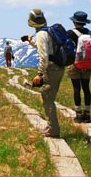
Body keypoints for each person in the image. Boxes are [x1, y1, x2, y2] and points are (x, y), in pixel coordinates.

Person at [25, 9, 64, 138]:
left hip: (51, 69)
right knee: (49, 97)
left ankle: (53, 130)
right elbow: (48, 49)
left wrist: (40, 74)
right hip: (59, 67)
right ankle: (50, 125)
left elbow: (44, 57)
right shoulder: (49, 31)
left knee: (47, 99)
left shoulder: (41, 34)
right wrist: (31, 42)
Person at [66, 11, 91, 123]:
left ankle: (78, 113)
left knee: (76, 88)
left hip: (75, 63)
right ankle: (87, 114)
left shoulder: (70, 33)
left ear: (74, 22)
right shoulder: (89, 32)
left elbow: (67, 47)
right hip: (88, 63)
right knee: (86, 88)